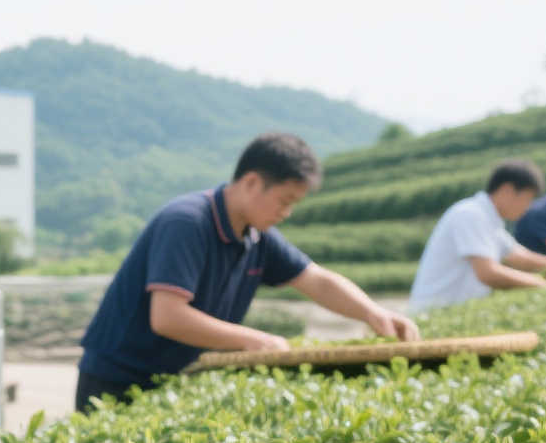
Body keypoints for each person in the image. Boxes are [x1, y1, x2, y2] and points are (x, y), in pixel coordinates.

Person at [75, 133, 418, 412]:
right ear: (252, 182)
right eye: (284, 200)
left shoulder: (257, 236)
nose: (286, 212)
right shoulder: (187, 222)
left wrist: (374, 313)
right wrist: (256, 340)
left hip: (171, 379)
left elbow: (315, 279)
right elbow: (167, 317)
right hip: (115, 381)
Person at [407, 160, 546, 315]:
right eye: (528, 199)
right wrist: (541, 284)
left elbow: (519, 256)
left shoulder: (490, 220)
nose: (527, 207)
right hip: (435, 313)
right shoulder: (471, 214)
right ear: (507, 191)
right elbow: (487, 273)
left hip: (454, 311)